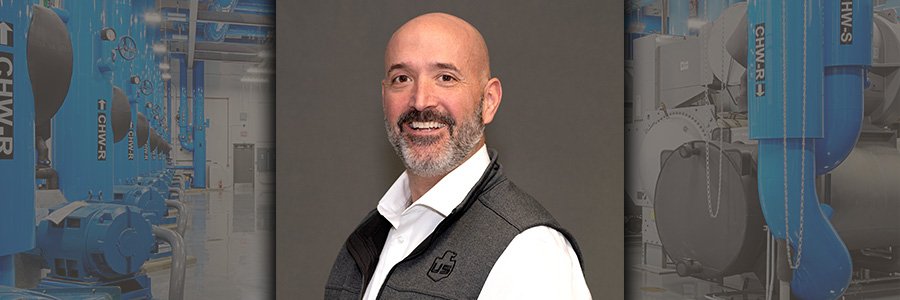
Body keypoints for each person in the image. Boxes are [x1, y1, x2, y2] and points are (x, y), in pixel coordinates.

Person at [325, 12, 591, 299]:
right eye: (402, 78)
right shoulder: (374, 235)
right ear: (384, 97)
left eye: (445, 77)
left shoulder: (530, 252)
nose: (420, 100)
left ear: (488, 101)